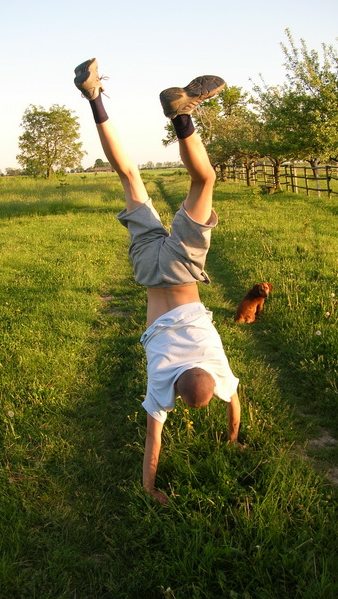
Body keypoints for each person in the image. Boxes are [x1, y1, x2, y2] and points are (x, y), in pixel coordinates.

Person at [74, 59, 241, 504]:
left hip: (184, 270)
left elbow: (233, 402)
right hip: (149, 270)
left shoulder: (216, 365)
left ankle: (182, 115)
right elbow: (155, 442)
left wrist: (234, 433)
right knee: (128, 177)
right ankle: (94, 97)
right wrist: (150, 487)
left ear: (204, 372)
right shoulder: (160, 384)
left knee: (204, 179)